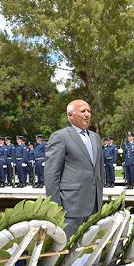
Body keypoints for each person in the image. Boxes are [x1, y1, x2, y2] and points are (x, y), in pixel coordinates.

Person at [45, 100, 105, 238]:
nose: (87, 114)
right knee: (69, 252)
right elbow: (51, 174)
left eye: (89, 111)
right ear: (70, 115)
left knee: (88, 252)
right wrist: (55, 205)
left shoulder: (95, 137)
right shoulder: (60, 137)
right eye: (83, 111)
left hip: (94, 205)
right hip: (71, 207)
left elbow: (99, 170)